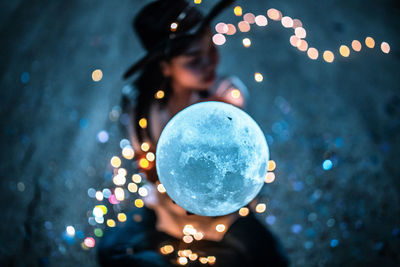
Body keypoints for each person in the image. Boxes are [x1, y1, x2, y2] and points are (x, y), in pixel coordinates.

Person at [98, 0, 289, 266]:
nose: (210, 63)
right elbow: (148, 167)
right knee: (111, 250)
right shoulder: (139, 107)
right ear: (165, 66)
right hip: (164, 214)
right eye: (194, 59)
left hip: (223, 217)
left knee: (273, 259)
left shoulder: (225, 97)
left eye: (212, 49)